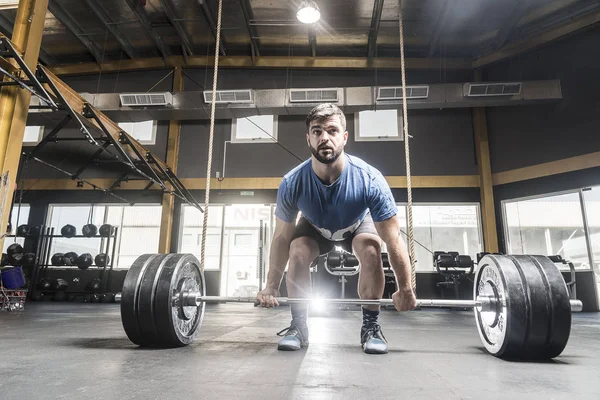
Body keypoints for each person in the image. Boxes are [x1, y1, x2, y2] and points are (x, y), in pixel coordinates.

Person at [256, 103, 417, 354]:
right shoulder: (292, 182)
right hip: (314, 225)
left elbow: (394, 238)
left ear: (344, 137)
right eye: (317, 131)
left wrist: (405, 288)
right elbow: (280, 238)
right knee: (297, 250)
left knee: (372, 249)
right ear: (308, 138)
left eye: (332, 131)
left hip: (356, 223)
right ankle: (298, 326)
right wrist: (271, 285)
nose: (324, 138)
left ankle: (371, 327)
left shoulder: (369, 180)